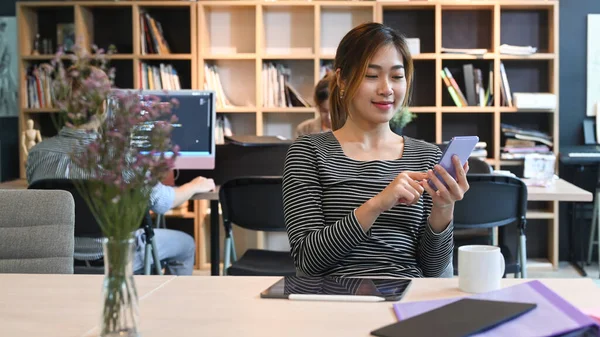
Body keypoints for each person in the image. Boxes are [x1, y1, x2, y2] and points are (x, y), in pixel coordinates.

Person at [282, 22, 470, 278]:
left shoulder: (426, 157)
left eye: (396, 76)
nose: (387, 89)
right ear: (343, 80)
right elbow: (308, 259)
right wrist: (378, 204)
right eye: (371, 76)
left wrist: (444, 208)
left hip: (407, 297)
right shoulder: (308, 153)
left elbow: (433, 270)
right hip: (331, 301)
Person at [26, 66, 215, 276]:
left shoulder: (37, 154)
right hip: (115, 257)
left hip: (59, 257)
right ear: (103, 107)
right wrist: (194, 185)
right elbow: (163, 203)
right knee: (186, 244)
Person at [295, 73, 332, 138]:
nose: (329, 117)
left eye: (333, 111)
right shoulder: (304, 130)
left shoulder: (354, 131)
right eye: (324, 111)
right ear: (318, 106)